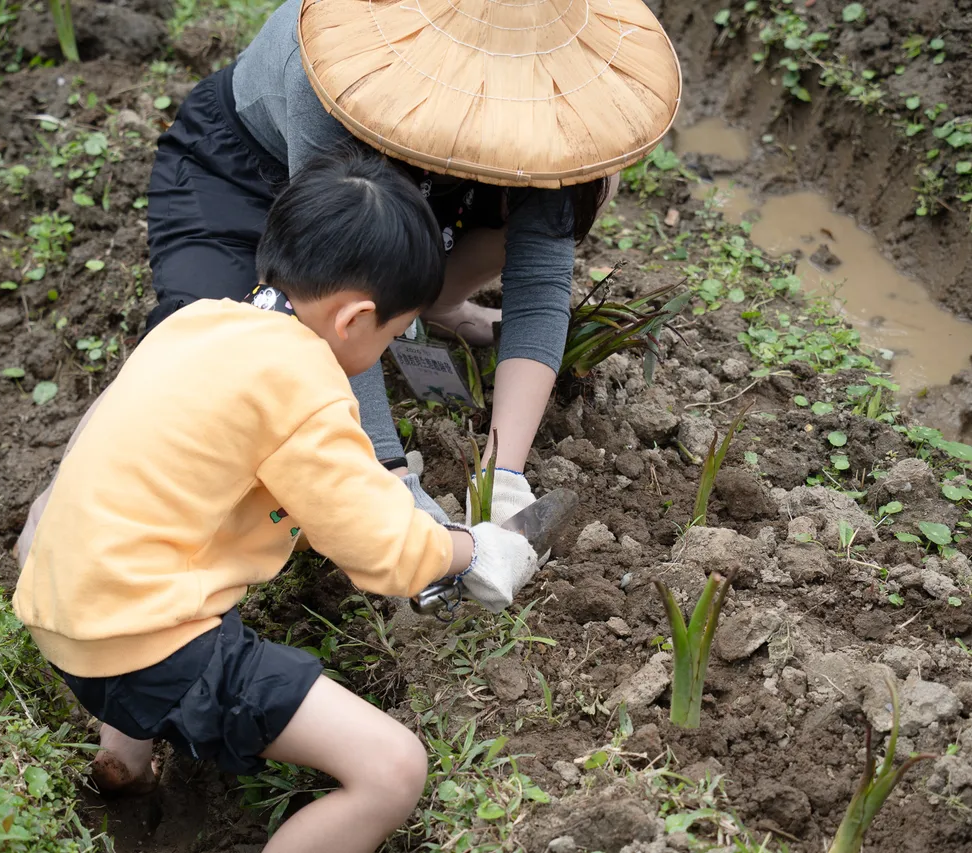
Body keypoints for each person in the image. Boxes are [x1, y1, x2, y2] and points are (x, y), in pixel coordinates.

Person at [12, 151, 540, 853]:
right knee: (393, 768)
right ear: (355, 319)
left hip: (60, 603)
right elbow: (386, 552)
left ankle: (125, 762)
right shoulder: (302, 385)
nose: (381, 352)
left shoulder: (197, 321)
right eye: (391, 335)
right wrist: (474, 547)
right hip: (140, 642)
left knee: (176, 548)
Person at [143, 0, 681, 525]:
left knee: (586, 182)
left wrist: (503, 476)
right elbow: (333, 280)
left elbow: (540, 279)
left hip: (413, 187)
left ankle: (440, 304)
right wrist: (388, 474)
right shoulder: (336, 63)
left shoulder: (552, 100)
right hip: (248, 175)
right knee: (211, 356)